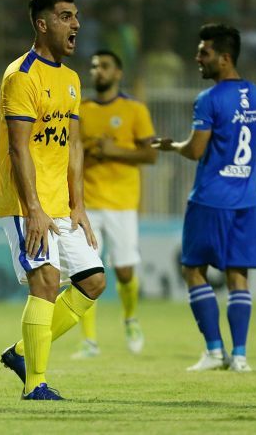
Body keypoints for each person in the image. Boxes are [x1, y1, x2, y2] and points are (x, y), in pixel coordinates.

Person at [0, 0, 106, 400]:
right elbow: (18, 147)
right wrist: (34, 209)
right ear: (42, 25)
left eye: (76, 16)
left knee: (93, 282)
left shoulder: (72, 79)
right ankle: (35, 385)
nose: (75, 24)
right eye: (65, 17)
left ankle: (22, 352)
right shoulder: (21, 76)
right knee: (45, 281)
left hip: (60, 203)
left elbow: (73, 146)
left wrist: (78, 205)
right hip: (27, 203)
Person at [153, 23, 256, 372]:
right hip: (248, 200)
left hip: (211, 198)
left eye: (204, 53)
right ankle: (240, 357)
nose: (198, 58)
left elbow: (195, 150)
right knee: (238, 276)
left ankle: (215, 351)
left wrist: (171, 146)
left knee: (193, 269)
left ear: (224, 58)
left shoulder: (209, 99)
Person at [72, 50, 157, 359]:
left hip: (122, 203)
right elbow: (71, 150)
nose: (98, 71)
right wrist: (92, 150)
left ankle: (130, 319)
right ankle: (89, 341)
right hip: (88, 204)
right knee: (85, 271)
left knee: (123, 271)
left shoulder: (134, 109)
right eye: (94, 66)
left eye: (105, 66)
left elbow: (150, 154)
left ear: (118, 73)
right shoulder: (81, 110)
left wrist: (113, 151)